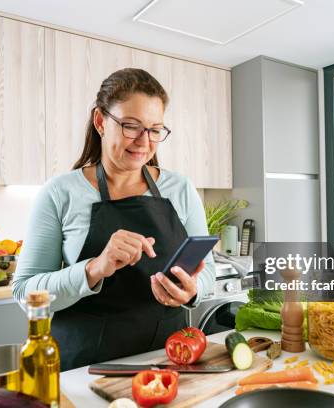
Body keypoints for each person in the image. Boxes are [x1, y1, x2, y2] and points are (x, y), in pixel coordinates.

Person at [13, 68, 215, 371]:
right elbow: (25, 292)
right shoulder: (60, 193)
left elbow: (207, 270)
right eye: (131, 126)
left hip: (168, 363)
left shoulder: (180, 189)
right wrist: (94, 268)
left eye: (155, 130)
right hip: (86, 369)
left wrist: (193, 289)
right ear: (100, 122)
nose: (144, 142)